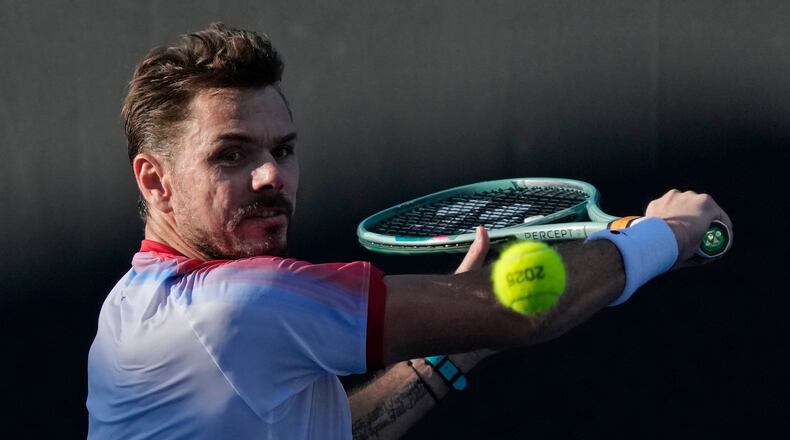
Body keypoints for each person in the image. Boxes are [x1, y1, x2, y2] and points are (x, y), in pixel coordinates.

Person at [86, 23, 733, 440]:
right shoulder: (239, 303)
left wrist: (459, 341)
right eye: (231, 154)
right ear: (155, 181)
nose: (270, 177)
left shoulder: (130, 307)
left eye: (282, 150)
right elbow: (519, 315)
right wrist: (668, 233)